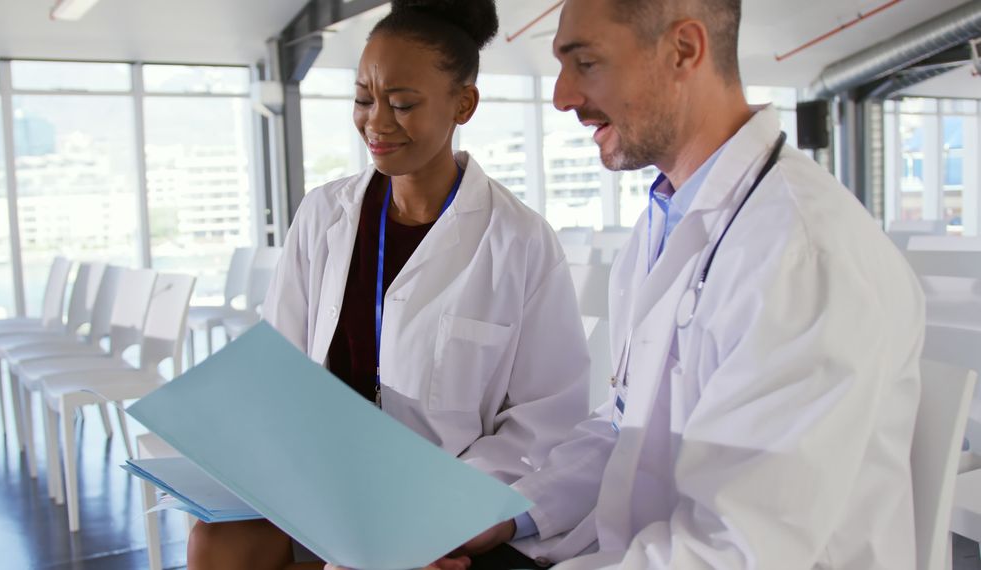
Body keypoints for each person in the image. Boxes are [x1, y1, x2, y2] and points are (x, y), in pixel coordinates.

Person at [397, 0, 925, 568]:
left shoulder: (802, 256)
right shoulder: (669, 217)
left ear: (684, 51)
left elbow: (736, 549)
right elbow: (624, 428)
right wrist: (505, 513)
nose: (562, 97)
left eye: (587, 63)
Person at [187, 1, 591, 569]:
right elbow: (281, 365)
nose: (376, 123)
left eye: (402, 104)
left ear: (463, 104)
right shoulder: (324, 215)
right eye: (363, 99)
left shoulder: (520, 241)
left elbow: (546, 420)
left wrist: (439, 513)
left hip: (439, 493)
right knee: (216, 540)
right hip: (324, 478)